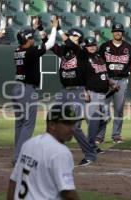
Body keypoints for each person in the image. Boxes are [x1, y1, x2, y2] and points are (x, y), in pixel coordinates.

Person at [7, 104, 81, 200]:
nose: (72, 128)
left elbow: (13, 181)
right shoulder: (61, 152)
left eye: (73, 123)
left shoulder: (29, 144)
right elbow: (68, 193)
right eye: (67, 123)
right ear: (52, 125)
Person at [11, 17, 59, 164]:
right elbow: (50, 44)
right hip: (27, 89)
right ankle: (19, 157)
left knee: (19, 123)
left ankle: (17, 155)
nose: (33, 39)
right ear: (29, 39)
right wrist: (55, 28)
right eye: (32, 37)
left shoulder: (18, 50)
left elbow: (27, 39)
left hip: (16, 89)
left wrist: (35, 28)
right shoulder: (31, 51)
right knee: (28, 124)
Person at [51, 25, 97, 166]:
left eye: (72, 35)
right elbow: (50, 44)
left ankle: (90, 154)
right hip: (64, 91)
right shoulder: (64, 50)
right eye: (69, 35)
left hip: (77, 91)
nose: (69, 37)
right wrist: (41, 29)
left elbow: (69, 43)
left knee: (75, 126)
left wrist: (58, 28)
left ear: (77, 38)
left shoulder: (81, 51)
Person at [96, 23, 131, 144]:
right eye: (115, 31)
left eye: (120, 31)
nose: (117, 33)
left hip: (122, 80)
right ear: (112, 32)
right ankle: (99, 136)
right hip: (107, 80)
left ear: (122, 33)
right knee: (103, 109)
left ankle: (116, 135)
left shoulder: (128, 47)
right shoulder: (104, 46)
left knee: (119, 109)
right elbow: (98, 64)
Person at [83, 37, 119, 158]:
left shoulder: (99, 57)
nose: (92, 47)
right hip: (92, 94)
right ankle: (91, 146)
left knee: (106, 118)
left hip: (103, 95)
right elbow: (80, 77)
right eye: (89, 45)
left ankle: (91, 143)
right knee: (93, 121)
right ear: (85, 47)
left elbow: (102, 74)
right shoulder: (84, 59)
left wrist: (110, 82)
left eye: (93, 45)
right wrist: (84, 91)